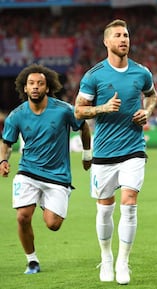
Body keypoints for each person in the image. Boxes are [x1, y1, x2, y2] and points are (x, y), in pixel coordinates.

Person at [74, 19, 157, 285]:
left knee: (130, 203)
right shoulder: (94, 75)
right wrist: (102, 109)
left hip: (133, 149)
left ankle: (123, 261)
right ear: (107, 42)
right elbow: (78, 111)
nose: (124, 39)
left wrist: (148, 111)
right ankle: (107, 257)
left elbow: (151, 95)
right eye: (118, 36)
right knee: (104, 210)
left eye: (127, 35)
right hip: (104, 153)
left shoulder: (141, 72)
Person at [0, 63, 92, 275]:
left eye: (40, 84)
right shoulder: (17, 115)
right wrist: (3, 161)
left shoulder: (63, 110)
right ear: (24, 88)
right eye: (31, 83)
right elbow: (6, 142)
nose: (35, 87)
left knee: (53, 224)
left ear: (48, 87)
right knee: (23, 216)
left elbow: (84, 126)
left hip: (57, 176)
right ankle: (32, 261)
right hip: (28, 172)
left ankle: (44, 201)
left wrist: (87, 154)